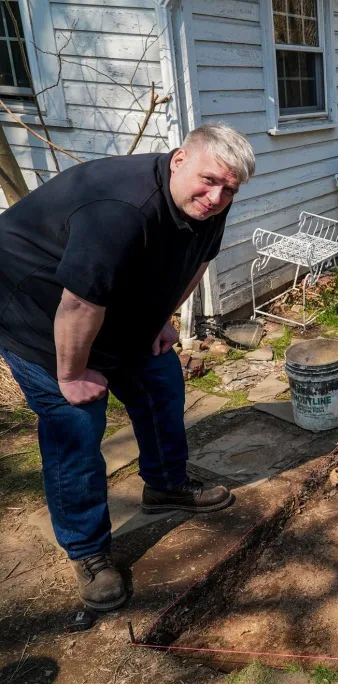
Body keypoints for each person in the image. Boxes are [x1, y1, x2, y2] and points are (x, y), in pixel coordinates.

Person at [0, 123, 256, 611]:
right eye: (209, 181)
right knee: (76, 421)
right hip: (35, 308)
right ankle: (87, 549)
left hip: (106, 303)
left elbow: (197, 261)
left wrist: (159, 319)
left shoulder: (208, 199)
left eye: (229, 189)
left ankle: (165, 485)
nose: (217, 196)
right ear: (179, 160)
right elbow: (78, 305)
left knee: (160, 380)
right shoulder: (121, 208)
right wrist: (73, 375)